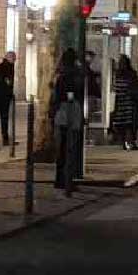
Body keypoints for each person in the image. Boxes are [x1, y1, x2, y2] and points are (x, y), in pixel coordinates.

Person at [50, 49, 85, 189]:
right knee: (68, 148)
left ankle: (61, 179)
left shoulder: (61, 74)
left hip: (63, 112)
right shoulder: (72, 75)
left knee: (64, 147)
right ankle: (65, 179)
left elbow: (57, 95)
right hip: (69, 111)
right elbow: (71, 93)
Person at [111, 54, 138, 150]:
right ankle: (131, 142)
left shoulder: (118, 74)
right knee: (131, 124)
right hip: (130, 103)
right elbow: (135, 87)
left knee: (124, 124)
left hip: (121, 103)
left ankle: (125, 142)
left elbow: (117, 89)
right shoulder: (131, 74)